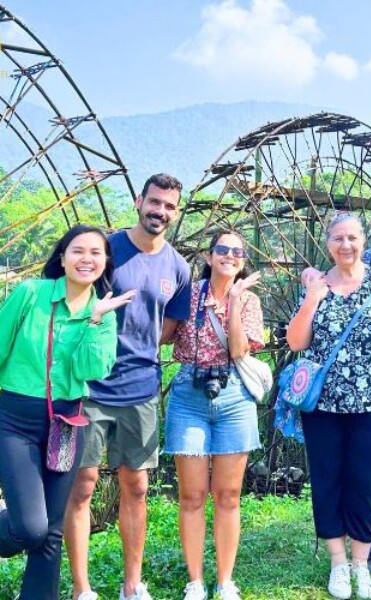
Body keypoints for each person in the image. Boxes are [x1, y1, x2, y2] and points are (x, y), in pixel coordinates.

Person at [65, 174, 192, 600]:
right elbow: (73, 301)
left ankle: (132, 584)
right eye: (154, 202)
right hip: (89, 386)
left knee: (136, 486)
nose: (160, 211)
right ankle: (83, 588)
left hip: (140, 389)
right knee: (82, 484)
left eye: (169, 206)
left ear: (176, 211)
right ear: (139, 201)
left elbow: (169, 329)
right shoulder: (108, 249)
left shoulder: (178, 266)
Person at [286, 212, 371, 600]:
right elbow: (297, 341)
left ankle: (361, 564)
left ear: (365, 240)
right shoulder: (316, 285)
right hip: (324, 403)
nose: (346, 245)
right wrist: (312, 298)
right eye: (338, 238)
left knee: (367, 479)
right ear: (328, 243)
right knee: (328, 478)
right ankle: (338, 563)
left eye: (353, 238)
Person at [0, 225, 135, 600]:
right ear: (62, 257)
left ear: (106, 261)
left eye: (96, 252)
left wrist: (94, 320)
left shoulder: (104, 313)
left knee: (52, 531)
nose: (86, 259)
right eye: (78, 250)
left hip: (66, 422)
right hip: (13, 420)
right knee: (31, 527)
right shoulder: (31, 294)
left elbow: (90, 369)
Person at [165, 231, 264, 600]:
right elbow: (163, 335)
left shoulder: (249, 300)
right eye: (222, 249)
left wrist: (234, 300)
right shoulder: (187, 294)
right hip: (189, 393)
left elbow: (239, 350)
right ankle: (195, 580)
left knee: (228, 495)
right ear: (209, 256)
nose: (230, 256)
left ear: (242, 261)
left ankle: (225, 580)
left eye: (238, 252)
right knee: (191, 495)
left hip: (234, 394)